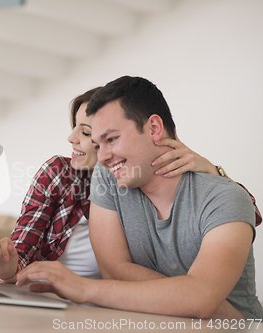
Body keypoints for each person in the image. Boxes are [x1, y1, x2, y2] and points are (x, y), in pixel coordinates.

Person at [15, 76, 263, 319]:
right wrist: (188, 297)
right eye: (98, 145)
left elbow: (200, 299)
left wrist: (82, 288)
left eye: (111, 139)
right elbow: (113, 271)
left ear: (154, 128)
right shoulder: (109, 177)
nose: (102, 157)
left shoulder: (223, 197)